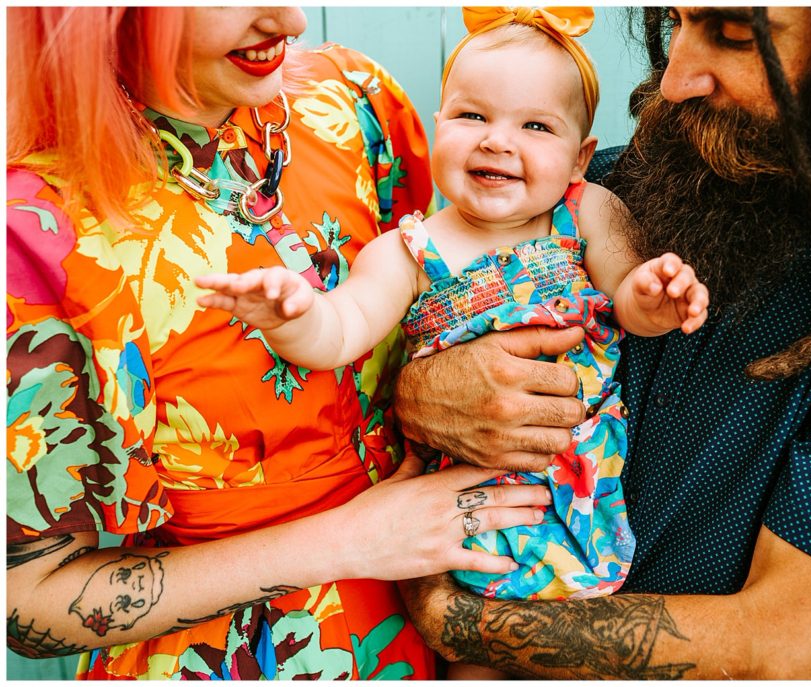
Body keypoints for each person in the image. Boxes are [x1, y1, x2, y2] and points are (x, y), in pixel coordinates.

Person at [394, 6, 811, 679]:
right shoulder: (578, 202)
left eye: (733, 34)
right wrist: (417, 388)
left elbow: (780, 646)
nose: (674, 79)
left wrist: (456, 620)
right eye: (677, 20)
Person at [6, 7, 553, 680]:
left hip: (442, 615)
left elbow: (453, 301)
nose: (289, 17)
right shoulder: (38, 229)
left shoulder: (356, 102)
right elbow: (24, 603)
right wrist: (346, 542)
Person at [195, 1, 708, 639]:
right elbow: (341, 332)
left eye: (536, 127)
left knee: (573, 649)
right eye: (472, 116)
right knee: (475, 648)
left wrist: (657, 295)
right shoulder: (408, 251)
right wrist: (290, 316)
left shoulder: (588, 213)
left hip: (577, 488)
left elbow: (629, 301)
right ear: (439, 127)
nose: (498, 139)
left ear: (580, 159)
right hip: (463, 507)